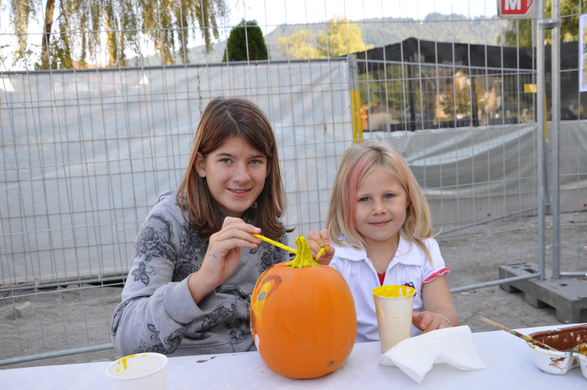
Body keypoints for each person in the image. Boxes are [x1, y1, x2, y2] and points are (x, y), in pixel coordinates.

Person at [111, 97, 304, 356]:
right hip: (182, 374)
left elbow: (283, 322)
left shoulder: (270, 229)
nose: (242, 176)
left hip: (253, 369)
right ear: (201, 164)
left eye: (255, 161)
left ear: (269, 167)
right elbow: (126, 338)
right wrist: (201, 282)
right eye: (226, 160)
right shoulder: (166, 223)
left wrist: (310, 277)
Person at [308, 141, 459, 343]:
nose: (379, 208)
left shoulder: (426, 250)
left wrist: (440, 320)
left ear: (407, 198)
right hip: (354, 365)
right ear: (345, 204)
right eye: (364, 199)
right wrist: (314, 269)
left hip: (413, 358)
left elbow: (445, 309)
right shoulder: (333, 258)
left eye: (389, 196)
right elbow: (312, 318)